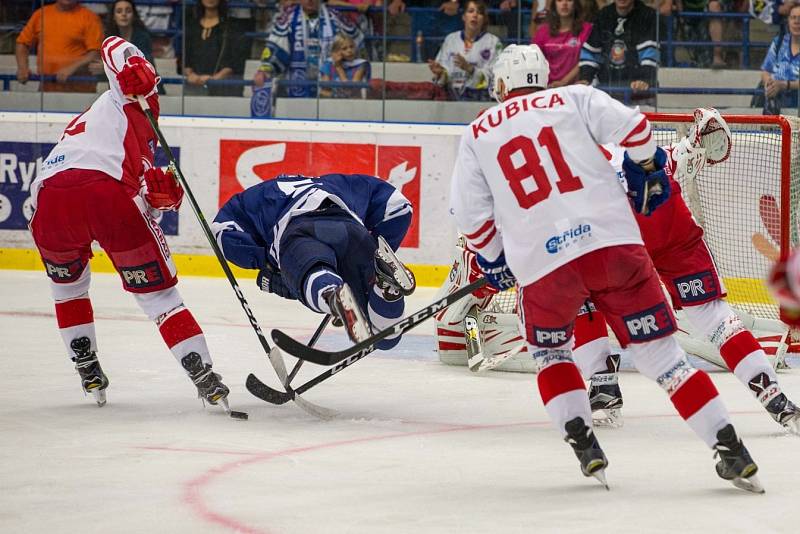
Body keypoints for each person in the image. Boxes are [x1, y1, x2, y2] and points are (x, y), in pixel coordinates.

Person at [450, 43, 762, 492]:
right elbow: (637, 128)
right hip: (615, 246)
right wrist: (650, 168)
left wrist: (495, 261)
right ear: (545, 77)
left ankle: (585, 444)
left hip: (544, 265)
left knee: (552, 355)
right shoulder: (574, 97)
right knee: (665, 359)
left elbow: (472, 219)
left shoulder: (477, 133)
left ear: (499, 85)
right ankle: (730, 448)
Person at [27, 37, 232, 410]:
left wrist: (160, 202)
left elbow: (139, 200)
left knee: (68, 291)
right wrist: (134, 73)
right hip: (103, 196)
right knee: (160, 297)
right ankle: (203, 374)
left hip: (50, 203)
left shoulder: (119, 133)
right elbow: (113, 45)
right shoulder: (125, 98)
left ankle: (86, 367)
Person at [569, 108, 800, 434]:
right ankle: (774, 397)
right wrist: (690, 149)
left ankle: (603, 383)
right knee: (717, 319)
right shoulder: (645, 147)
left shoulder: (578, 161)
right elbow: (674, 161)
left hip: (627, 241)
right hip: (673, 231)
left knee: (580, 293)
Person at [212, 174, 416, 347]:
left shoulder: (260, 194)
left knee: (314, 271)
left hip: (300, 232)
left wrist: (266, 262)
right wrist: (377, 249)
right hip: (352, 231)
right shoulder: (336, 182)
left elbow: (221, 231)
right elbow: (399, 205)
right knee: (385, 338)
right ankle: (386, 289)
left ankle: (332, 295)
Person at [253, 0, 363, 99]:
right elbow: (276, 48)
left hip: (331, 88)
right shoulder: (288, 19)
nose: (310, 0)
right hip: (298, 89)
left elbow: (356, 44)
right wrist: (265, 70)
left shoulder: (335, 17)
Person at [15, 0, 104, 92]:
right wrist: (22, 67)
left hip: (79, 89)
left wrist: (72, 68)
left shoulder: (90, 17)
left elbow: (95, 53)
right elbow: (22, 43)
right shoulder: (40, 14)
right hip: (46, 89)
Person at [577, 0, 659, 100]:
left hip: (639, 96)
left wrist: (644, 80)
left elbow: (650, 52)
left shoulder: (648, 15)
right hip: (605, 93)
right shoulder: (603, 15)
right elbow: (591, 52)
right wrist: (586, 78)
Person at [428, 0, 503, 101]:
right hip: (451, 100)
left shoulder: (494, 42)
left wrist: (470, 69)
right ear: (464, 17)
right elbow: (444, 74)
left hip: (481, 100)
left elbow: (495, 79)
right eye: (471, 11)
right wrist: (441, 73)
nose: (475, 15)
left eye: (479, 13)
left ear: (484, 19)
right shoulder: (451, 39)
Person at [183, 0, 247, 97]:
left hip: (223, 88)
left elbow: (236, 60)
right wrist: (190, 74)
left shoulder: (231, 27)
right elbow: (185, 56)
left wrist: (214, 78)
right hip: (194, 86)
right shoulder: (192, 26)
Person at [532, 0, 592, 87]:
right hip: (548, 88)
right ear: (554, 4)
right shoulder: (542, 31)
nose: (564, 4)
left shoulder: (587, 29)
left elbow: (586, 60)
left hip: (576, 88)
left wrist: (564, 82)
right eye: (560, 0)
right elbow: (534, 60)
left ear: (575, 3)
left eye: (569, 0)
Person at [760, 5, 800, 114]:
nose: (797, 22)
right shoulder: (779, 42)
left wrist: (784, 85)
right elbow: (766, 71)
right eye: (793, 17)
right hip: (776, 106)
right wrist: (770, 83)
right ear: (788, 21)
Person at [319, 33, 371, 98]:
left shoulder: (361, 64)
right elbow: (325, 90)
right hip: (332, 104)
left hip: (353, 104)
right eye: (344, 48)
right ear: (335, 51)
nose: (349, 50)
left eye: (352, 47)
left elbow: (351, 91)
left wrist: (338, 67)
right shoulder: (328, 64)